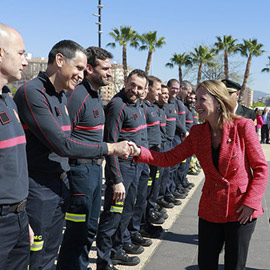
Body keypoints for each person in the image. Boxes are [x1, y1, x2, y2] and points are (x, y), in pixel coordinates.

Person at [14, 40, 130, 270]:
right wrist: (110, 148)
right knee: (36, 258)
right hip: (39, 188)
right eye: (78, 68)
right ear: (59, 60)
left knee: (52, 251)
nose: (81, 75)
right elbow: (63, 145)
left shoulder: (61, 95)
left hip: (60, 183)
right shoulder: (32, 92)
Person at [130, 80, 268, 270]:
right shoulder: (197, 132)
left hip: (241, 211)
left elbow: (261, 168)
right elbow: (169, 158)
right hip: (211, 209)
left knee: (235, 265)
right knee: (206, 264)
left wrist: (251, 203)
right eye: (196, 99)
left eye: (202, 99)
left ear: (218, 102)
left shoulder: (243, 126)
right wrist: (138, 152)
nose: (195, 104)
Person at [57, 46, 114, 270]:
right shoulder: (78, 95)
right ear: (89, 69)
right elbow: (64, 138)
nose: (110, 73)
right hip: (80, 172)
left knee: (89, 229)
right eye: (105, 68)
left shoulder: (94, 94)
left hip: (93, 171)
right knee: (76, 231)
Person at [96, 69, 148, 270]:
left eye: (139, 87)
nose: (134, 90)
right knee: (113, 216)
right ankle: (103, 260)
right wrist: (116, 179)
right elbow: (111, 143)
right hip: (122, 169)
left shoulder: (137, 104)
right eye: (132, 84)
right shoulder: (117, 105)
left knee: (126, 212)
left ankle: (116, 251)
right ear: (125, 81)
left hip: (136, 167)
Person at [0, 22, 32, 270]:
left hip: (18, 219)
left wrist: (23, 220)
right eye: (20, 53)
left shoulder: (7, 99)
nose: (25, 61)